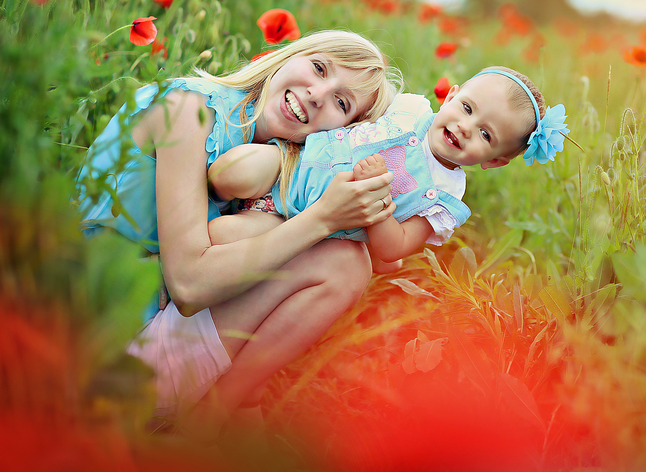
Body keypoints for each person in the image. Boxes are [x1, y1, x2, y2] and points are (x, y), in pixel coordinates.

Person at [75, 30, 403, 432]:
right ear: (292, 55)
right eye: (319, 68)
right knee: (339, 261)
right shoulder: (188, 110)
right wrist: (322, 219)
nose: (318, 94)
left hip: (153, 328)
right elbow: (190, 286)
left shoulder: (279, 164)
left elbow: (388, 260)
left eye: (341, 102)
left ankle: (223, 412)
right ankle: (208, 424)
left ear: (343, 133)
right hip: (94, 339)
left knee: (346, 259)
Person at [206, 67, 570, 269]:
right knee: (231, 173)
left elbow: (393, 249)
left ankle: (182, 264)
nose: (465, 127)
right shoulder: (408, 109)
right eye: (467, 109)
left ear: (494, 161)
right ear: (451, 96)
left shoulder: (443, 198)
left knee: (221, 236)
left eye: (486, 134)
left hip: (298, 223)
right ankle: (206, 201)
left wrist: (379, 200)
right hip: (290, 163)